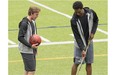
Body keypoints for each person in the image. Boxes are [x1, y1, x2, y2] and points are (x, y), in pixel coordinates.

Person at [70, 1, 98, 75]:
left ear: (82, 8)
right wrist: (82, 49)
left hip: (89, 41)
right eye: (76, 12)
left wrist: (93, 32)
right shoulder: (73, 20)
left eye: (78, 11)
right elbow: (77, 36)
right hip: (79, 44)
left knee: (89, 63)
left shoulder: (91, 13)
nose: (77, 13)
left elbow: (96, 21)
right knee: (76, 63)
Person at [18, 6, 41, 75]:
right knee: (32, 70)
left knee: (27, 70)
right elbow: (20, 37)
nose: (37, 16)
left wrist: (35, 49)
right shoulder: (24, 23)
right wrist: (30, 46)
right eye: (36, 14)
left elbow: (34, 36)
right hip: (26, 50)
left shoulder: (33, 22)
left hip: (31, 49)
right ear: (31, 13)